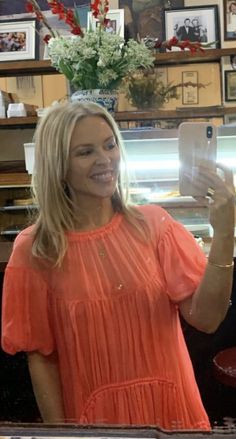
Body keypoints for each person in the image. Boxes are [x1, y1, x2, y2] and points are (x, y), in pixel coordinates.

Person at [1, 101, 235, 430]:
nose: (105, 159)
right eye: (85, 152)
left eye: (110, 145)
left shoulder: (154, 225)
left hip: (172, 412)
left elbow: (207, 319)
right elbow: (41, 359)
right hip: (95, 423)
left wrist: (224, 233)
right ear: (59, 165)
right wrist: (61, 437)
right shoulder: (36, 249)